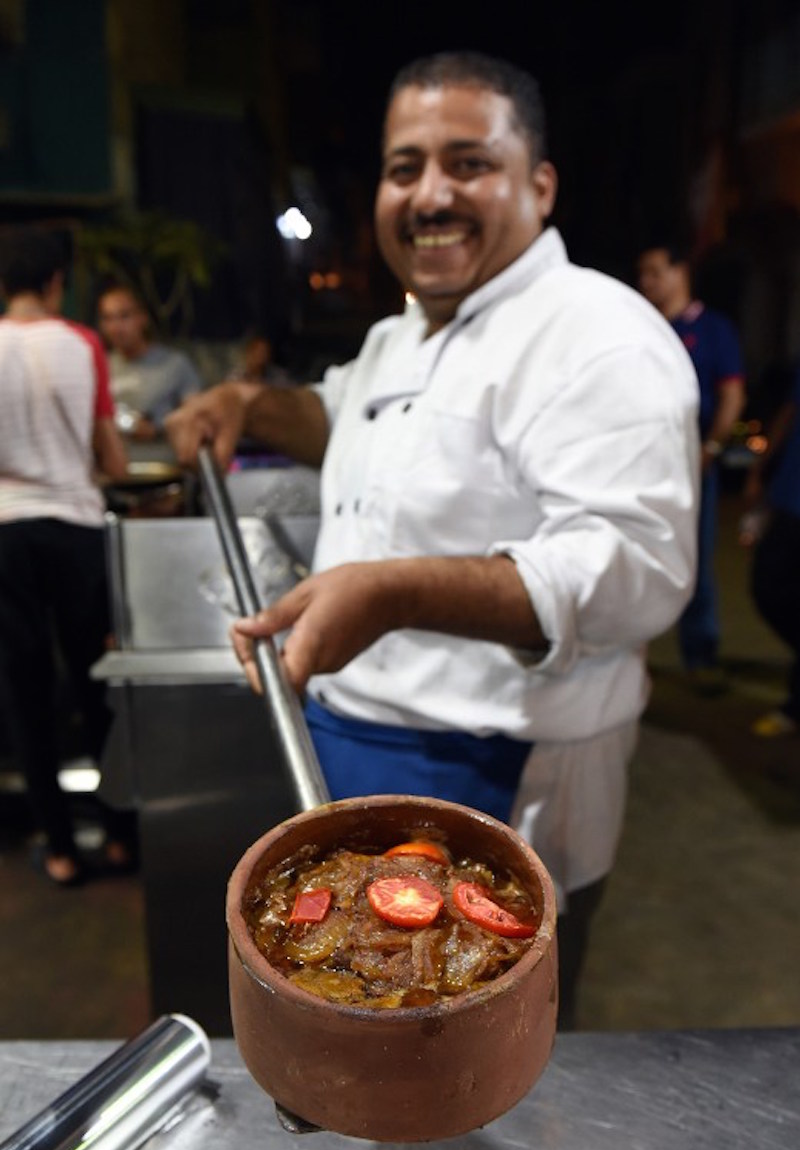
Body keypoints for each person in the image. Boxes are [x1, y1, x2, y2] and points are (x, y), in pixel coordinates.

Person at [167, 52, 699, 1025]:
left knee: (478, 1048)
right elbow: (345, 419)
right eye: (403, 168)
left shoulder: (598, 334)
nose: (429, 195)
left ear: (540, 184)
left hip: (497, 765)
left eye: (468, 163)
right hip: (346, 742)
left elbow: (638, 569)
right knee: (343, 1007)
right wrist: (248, 402)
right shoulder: (398, 334)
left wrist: (393, 590)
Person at [0, 226, 138, 885]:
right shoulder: (83, 344)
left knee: (26, 691)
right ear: (57, 281)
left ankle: (58, 848)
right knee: (95, 684)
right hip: (77, 527)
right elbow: (114, 459)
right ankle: (119, 837)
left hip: (7, 533)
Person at [638, 241, 746, 692]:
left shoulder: (711, 328)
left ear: (680, 272)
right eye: (642, 274)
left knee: (694, 560)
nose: (646, 282)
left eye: (654, 272)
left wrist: (710, 448)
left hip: (692, 464)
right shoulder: (639, 325)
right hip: (641, 462)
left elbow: (732, 394)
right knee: (633, 557)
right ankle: (628, 655)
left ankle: (700, 654)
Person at [740, 364, 800, 737]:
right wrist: (760, 469)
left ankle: (795, 704)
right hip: (791, 495)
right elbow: (790, 410)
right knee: (769, 587)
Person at [97, 282, 201, 442]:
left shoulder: (175, 365)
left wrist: (158, 429)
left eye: (124, 316)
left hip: (161, 453)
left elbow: (197, 416)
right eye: (108, 318)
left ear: (143, 317)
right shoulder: (100, 367)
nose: (116, 327)